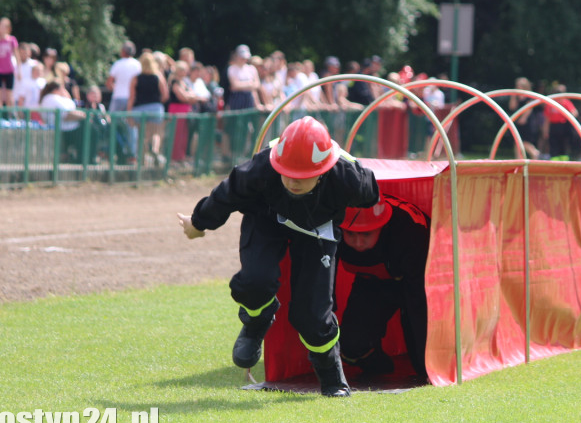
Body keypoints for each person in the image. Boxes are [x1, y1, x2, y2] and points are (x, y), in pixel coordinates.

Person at [177, 116, 379, 397]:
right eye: (287, 174)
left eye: (303, 177)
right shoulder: (260, 167)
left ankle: (332, 376)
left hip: (317, 231)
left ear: (324, 171)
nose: (294, 182)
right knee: (254, 282)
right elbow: (226, 195)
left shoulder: (348, 178)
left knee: (312, 316)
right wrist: (197, 223)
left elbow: (372, 194)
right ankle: (256, 322)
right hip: (266, 218)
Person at [337, 194, 430, 378]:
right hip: (371, 284)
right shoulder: (331, 229)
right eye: (351, 234)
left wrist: (428, 369)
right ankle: (378, 365)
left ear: (382, 225)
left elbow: (419, 302)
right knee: (350, 345)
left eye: (366, 234)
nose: (358, 243)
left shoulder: (411, 231)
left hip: (416, 282)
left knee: (422, 362)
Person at [128, 51, 168, 165]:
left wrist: (129, 113)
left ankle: (143, 159)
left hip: (140, 109)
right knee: (156, 132)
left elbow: (131, 97)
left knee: (143, 135)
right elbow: (165, 95)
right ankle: (155, 149)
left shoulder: (136, 78)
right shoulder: (158, 76)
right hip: (155, 108)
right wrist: (157, 102)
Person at [106, 41, 141, 160]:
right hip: (132, 98)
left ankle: (108, 150)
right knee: (131, 126)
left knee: (111, 124)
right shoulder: (138, 65)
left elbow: (109, 83)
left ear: (123, 52)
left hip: (118, 98)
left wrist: (116, 89)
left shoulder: (118, 64)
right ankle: (132, 153)